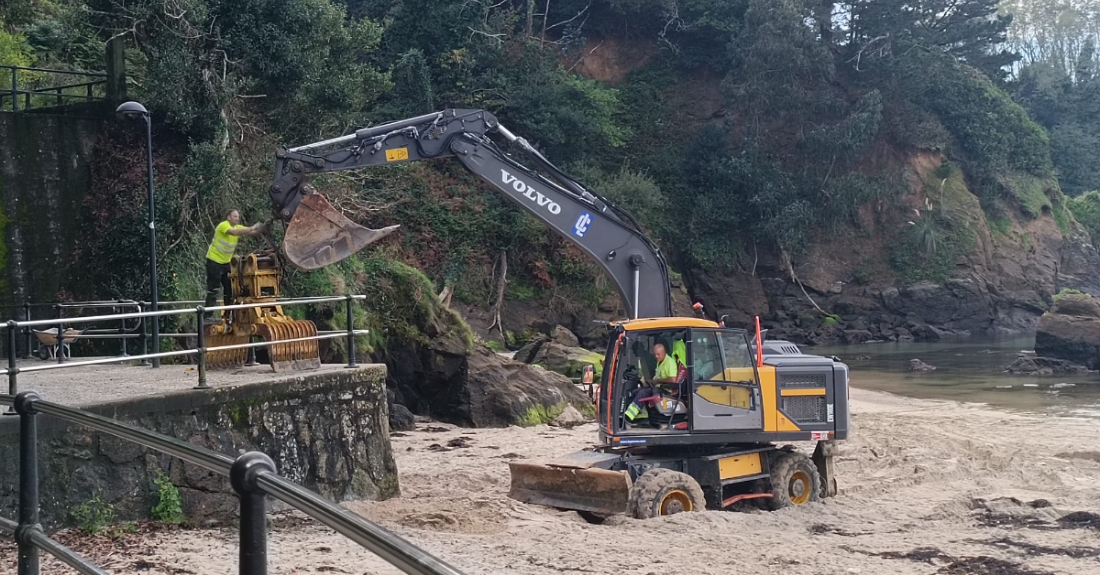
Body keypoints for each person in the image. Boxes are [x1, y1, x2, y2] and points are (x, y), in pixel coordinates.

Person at [204, 209, 263, 322]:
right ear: (228, 217)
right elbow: (235, 232)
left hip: (226, 263)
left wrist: (262, 227)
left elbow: (252, 233)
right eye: (235, 216)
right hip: (214, 262)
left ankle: (227, 315)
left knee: (230, 290)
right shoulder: (223, 226)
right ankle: (207, 316)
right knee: (214, 290)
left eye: (238, 216)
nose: (237, 218)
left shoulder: (238, 227)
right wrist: (252, 227)